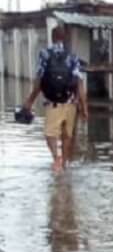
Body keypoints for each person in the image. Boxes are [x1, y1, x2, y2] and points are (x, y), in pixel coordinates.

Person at [24, 26, 88, 171]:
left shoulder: (45, 54)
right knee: (67, 135)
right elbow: (79, 83)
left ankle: (56, 157)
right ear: (64, 38)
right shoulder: (72, 56)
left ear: (52, 37)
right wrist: (84, 108)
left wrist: (30, 101)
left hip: (53, 103)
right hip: (71, 103)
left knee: (49, 133)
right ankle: (64, 163)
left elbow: (39, 80)